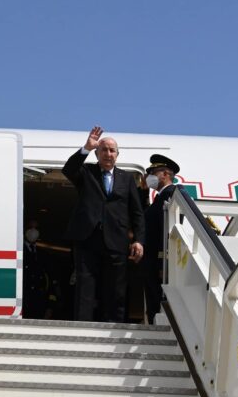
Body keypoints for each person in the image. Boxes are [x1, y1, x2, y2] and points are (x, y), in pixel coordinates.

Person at [62, 126, 145, 322]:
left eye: (112, 150)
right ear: (97, 153)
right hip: (87, 238)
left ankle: (114, 328)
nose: (108, 154)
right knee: (85, 286)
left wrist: (139, 240)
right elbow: (68, 169)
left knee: (116, 288)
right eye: (104, 150)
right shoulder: (87, 172)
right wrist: (86, 148)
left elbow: (137, 212)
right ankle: (82, 328)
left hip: (116, 240)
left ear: (117, 154)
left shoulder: (127, 178)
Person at [143, 154, 180, 324]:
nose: (149, 177)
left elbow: (168, 230)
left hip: (159, 260)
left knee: (157, 299)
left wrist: (162, 261)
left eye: (153, 173)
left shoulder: (172, 195)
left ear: (165, 174)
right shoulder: (161, 197)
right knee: (152, 297)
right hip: (152, 259)